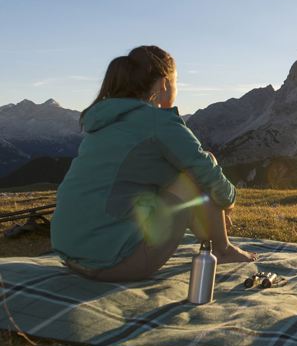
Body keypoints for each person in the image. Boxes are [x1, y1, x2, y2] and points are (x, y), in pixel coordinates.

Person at [51, 45, 255, 282]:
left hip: (71, 256)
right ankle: (222, 249)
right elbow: (206, 172)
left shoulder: (103, 121)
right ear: (165, 83)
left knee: (183, 173)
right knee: (200, 168)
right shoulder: (158, 122)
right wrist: (228, 201)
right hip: (116, 263)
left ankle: (214, 244)